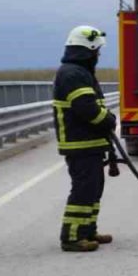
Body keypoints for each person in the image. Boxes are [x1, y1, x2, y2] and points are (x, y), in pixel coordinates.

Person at [53, 25, 117, 253]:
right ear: (87, 50)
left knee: (93, 189)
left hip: (88, 144)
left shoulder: (79, 72)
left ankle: (88, 230)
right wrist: (108, 120)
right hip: (79, 144)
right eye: (97, 50)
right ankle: (72, 237)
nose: (98, 55)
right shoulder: (73, 74)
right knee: (83, 190)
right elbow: (86, 108)